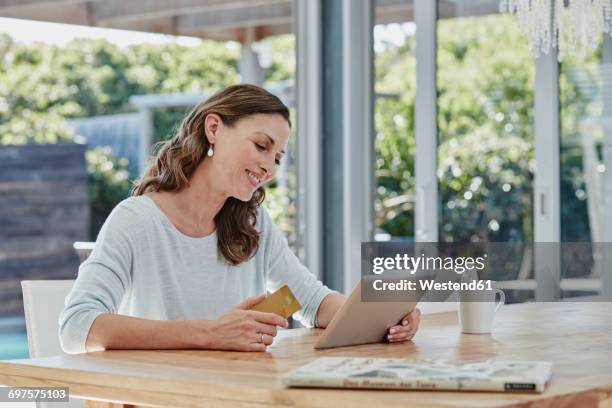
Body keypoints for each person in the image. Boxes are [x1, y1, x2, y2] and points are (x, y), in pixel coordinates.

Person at [59, 84, 421, 354]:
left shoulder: (251, 223)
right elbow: (77, 327)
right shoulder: (137, 221)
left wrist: (383, 317)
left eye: (277, 158)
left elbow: (312, 302)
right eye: (261, 146)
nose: (269, 166)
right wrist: (210, 334)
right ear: (213, 128)